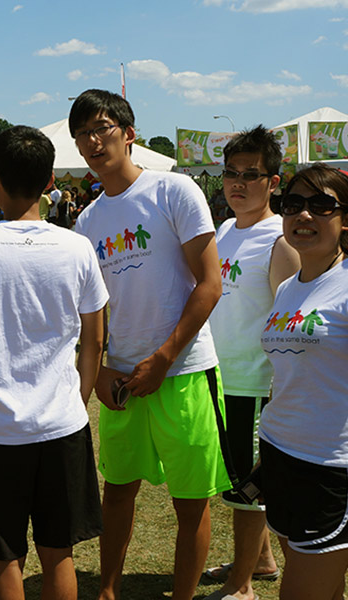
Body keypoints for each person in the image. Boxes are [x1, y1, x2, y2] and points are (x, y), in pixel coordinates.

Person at [0, 125, 108, 599]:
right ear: (51, 179)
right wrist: (80, 397)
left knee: (5, 553)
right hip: (63, 423)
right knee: (59, 551)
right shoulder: (76, 246)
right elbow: (94, 340)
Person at [71, 89, 230, 600]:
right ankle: (108, 590)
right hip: (122, 379)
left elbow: (210, 283)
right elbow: (90, 315)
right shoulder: (86, 221)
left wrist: (164, 357)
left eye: (102, 129)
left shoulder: (173, 191)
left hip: (183, 372)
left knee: (192, 502)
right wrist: (97, 373)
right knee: (116, 492)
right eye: (83, 135)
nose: (94, 142)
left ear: (129, 132)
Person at [202, 126, 299, 600]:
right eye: (231, 174)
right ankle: (260, 561)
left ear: (274, 181)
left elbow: (291, 323)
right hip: (224, 379)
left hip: (257, 384)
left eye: (251, 175)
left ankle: (242, 587)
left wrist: (283, 387)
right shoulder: (223, 230)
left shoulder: (279, 240)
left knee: (249, 489)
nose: (238, 183)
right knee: (239, 481)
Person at [258, 164, 348, 600]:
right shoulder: (288, 287)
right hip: (280, 454)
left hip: (330, 467)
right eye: (293, 204)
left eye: (321, 205)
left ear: (344, 218)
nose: (304, 215)